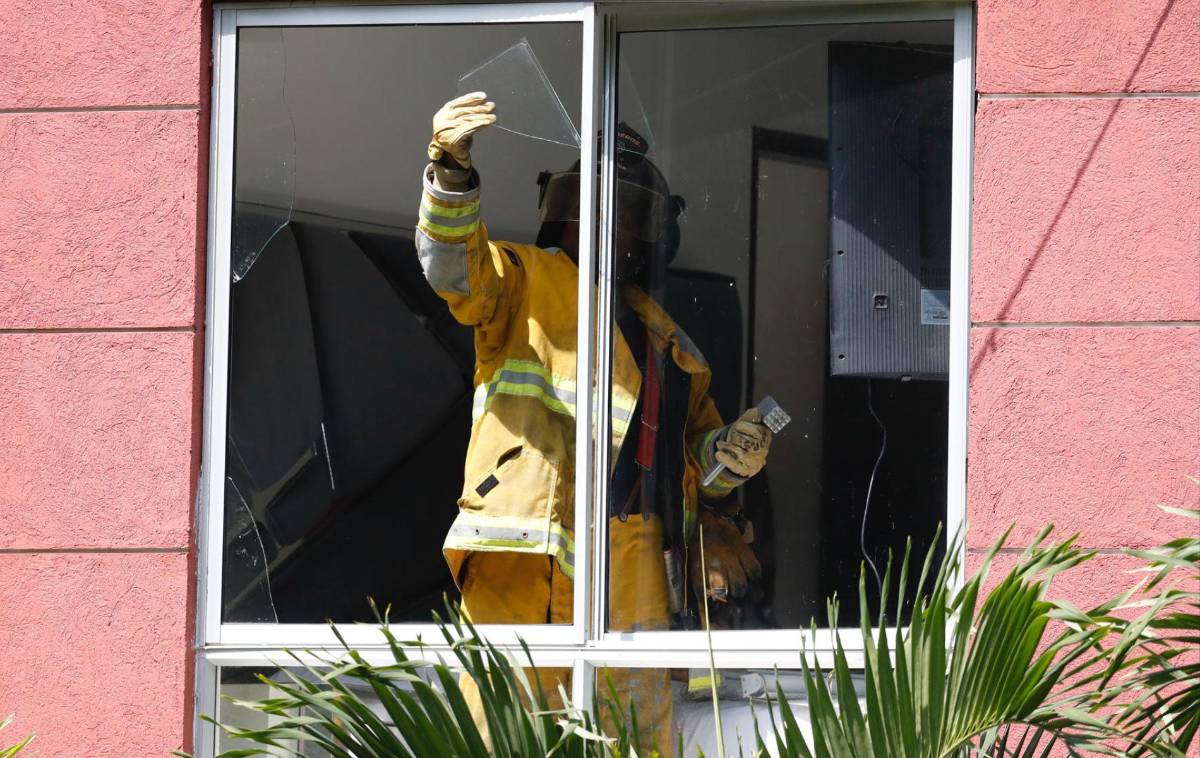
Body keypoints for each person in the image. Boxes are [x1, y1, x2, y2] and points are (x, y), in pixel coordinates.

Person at [415, 91, 774, 751]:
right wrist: (450, 175)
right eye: (592, 208)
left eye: (630, 214)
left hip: (636, 560)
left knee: (634, 738)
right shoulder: (525, 280)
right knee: (501, 737)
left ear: (653, 234)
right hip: (530, 553)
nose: (609, 226)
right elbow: (451, 268)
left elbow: (698, 470)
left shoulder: (673, 345)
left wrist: (731, 452)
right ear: (564, 215)